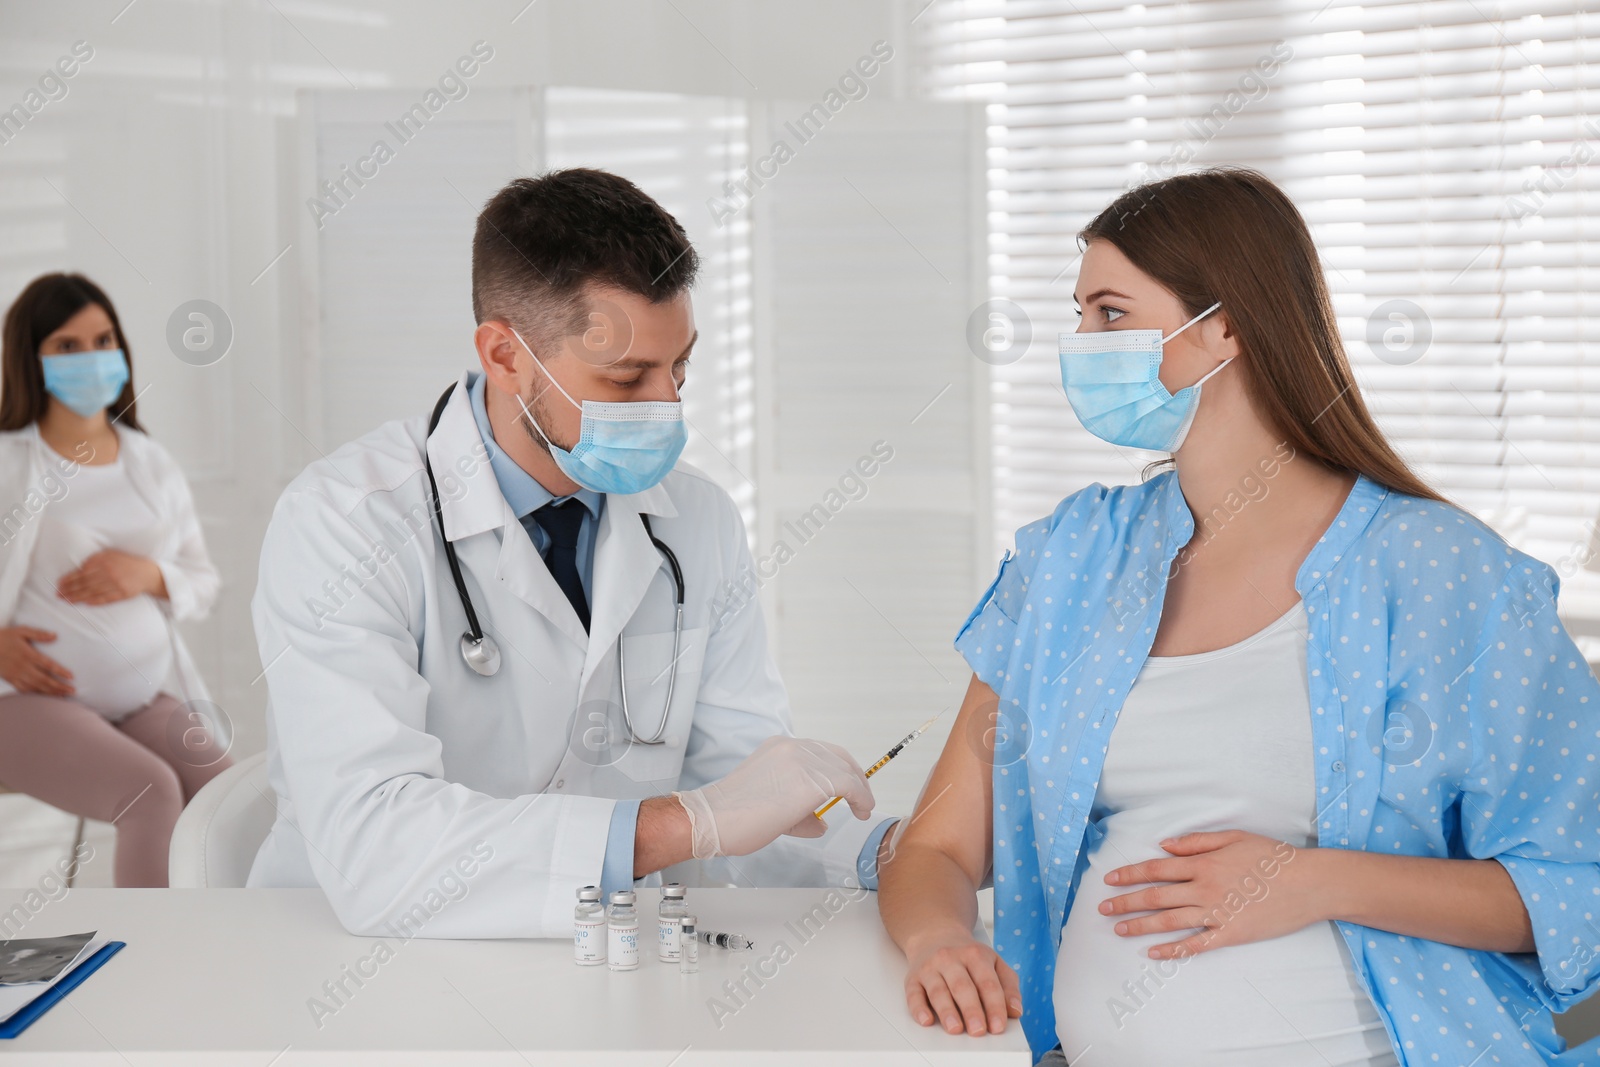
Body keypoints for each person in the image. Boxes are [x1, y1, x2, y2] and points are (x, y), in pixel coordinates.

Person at [877, 167, 1600, 1065]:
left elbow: (1578, 889)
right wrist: (938, 939)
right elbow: (936, 846)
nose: (1080, 345)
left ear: (1224, 325)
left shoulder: (1439, 568)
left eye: (1109, 314)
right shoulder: (1069, 562)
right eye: (1078, 317)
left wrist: (1315, 880)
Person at [247, 168, 899, 936]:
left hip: (608, 960)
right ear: (503, 354)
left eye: (679, 368)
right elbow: (379, 851)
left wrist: (890, 851)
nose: (667, 406)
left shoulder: (698, 522)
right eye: (626, 379)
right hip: (349, 976)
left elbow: (742, 809)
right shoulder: (345, 523)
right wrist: (683, 824)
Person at [0, 273, 231, 887]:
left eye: (103, 340)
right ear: (30, 359)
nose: (92, 358)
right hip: (24, 704)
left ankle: (226, 953)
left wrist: (150, 573)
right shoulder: (9, 463)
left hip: (139, 698)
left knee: (225, 793)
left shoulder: (148, 461)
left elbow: (203, 582)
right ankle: (152, 966)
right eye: (67, 347)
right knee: (149, 792)